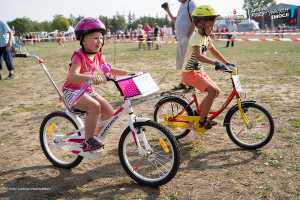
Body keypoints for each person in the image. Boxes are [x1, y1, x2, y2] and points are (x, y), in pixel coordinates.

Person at [62, 17, 132, 152]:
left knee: (109, 112)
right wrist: (91, 77)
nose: (99, 41)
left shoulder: (98, 55)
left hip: (86, 90)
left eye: (101, 38)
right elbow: (73, 77)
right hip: (72, 91)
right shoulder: (78, 56)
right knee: (95, 106)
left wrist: (128, 73)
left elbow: (109, 70)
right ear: (83, 40)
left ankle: (93, 135)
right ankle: (88, 142)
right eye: (95, 38)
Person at [181, 5, 236, 128]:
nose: (212, 29)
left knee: (216, 91)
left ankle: (197, 115)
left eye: (213, 26)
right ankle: (202, 120)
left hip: (197, 71)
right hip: (189, 73)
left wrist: (226, 63)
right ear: (200, 24)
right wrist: (215, 63)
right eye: (210, 26)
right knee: (212, 92)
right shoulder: (196, 37)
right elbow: (199, 56)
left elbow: (213, 51)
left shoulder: (206, 36)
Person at [163, 0, 197, 92]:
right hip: (180, 38)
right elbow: (175, 20)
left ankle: (191, 84)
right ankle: (184, 83)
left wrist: (188, 36)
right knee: (183, 63)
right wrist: (168, 10)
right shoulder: (182, 6)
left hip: (187, 38)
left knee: (189, 62)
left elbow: (195, 20)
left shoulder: (190, 3)